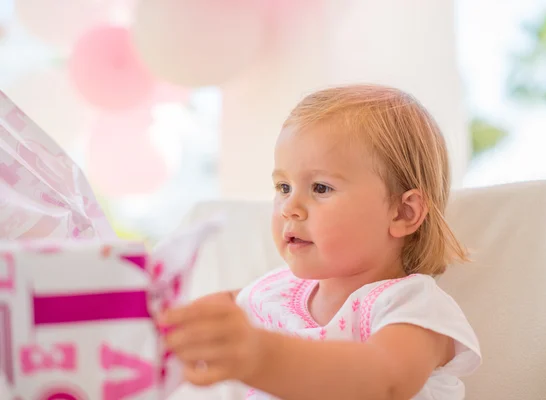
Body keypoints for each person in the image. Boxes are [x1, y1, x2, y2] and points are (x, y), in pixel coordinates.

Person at [159, 84, 481, 399]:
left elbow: (385, 382)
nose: (289, 208)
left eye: (321, 188)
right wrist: (174, 324)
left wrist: (261, 356)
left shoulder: (411, 305)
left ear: (402, 212)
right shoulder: (276, 291)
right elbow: (228, 306)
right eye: (283, 188)